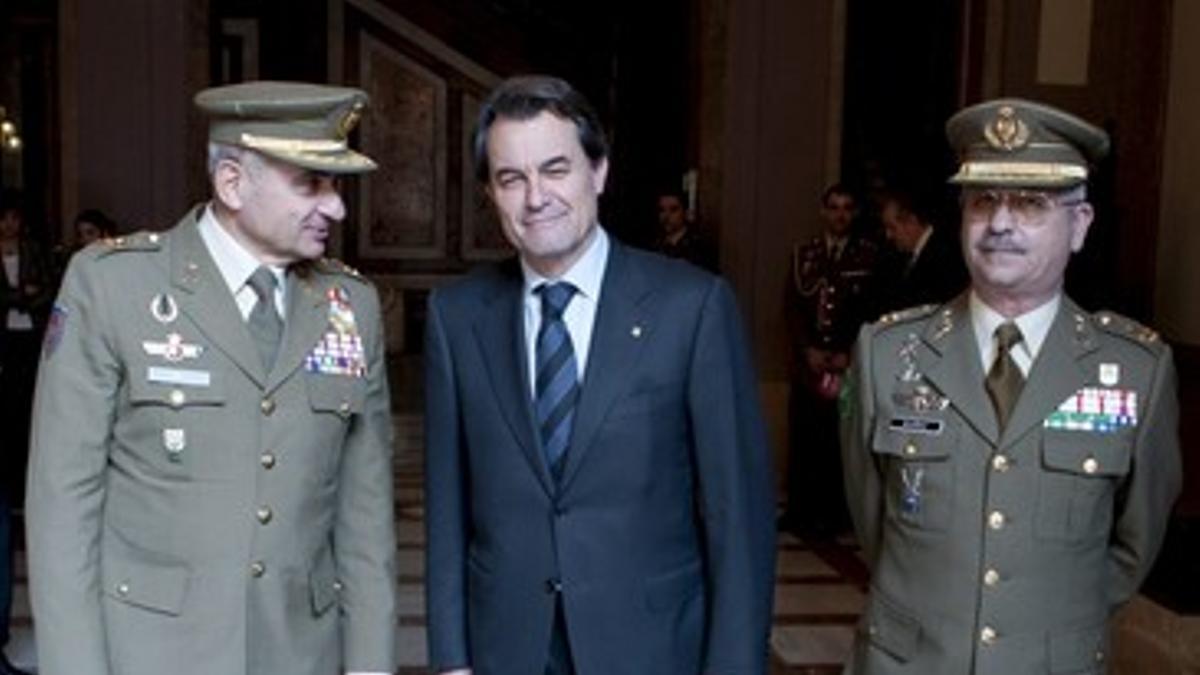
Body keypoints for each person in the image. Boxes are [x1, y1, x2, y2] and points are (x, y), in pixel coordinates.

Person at [25, 82, 397, 675]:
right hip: (152, 655)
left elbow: (366, 521)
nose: (336, 207)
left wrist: (371, 667)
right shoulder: (114, 286)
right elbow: (62, 506)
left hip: (301, 654)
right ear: (231, 183)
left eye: (335, 185)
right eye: (311, 183)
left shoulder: (351, 305)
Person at [424, 75, 775, 675]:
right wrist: (452, 659)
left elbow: (736, 519)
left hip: (650, 645)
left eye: (556, 169)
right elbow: (446, 509)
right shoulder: (456, 317)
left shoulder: (691, 308)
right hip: (507, 646)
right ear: (490, 193)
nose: (536, 197)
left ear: (599, 172)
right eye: (512, 178)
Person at [840, 98, 1181, 673]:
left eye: (1030, 204)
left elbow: (1133, 546)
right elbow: (876, 525)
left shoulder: (1138, 372)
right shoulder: (885, 353)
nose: (1000, 224)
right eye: (984, 202)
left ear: (1079, 225)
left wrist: (1045, 614)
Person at [780, 183, 877, 539]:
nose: (839, 215)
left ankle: (837, 513)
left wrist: (850, 352)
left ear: (855, 213)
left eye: (846, 208)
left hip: (848, 361)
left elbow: (872, 310)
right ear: (823, 212)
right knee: (805, 436)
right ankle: (801, 511)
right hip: (810, 364)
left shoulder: (868, 256)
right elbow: (792, 308)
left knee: (841, 439)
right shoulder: (804, 254)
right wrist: (807, 350)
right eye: (833, 207)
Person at [876, 188, 967, 313]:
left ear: (911, 222)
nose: (888, 235)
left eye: (892, 227)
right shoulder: (904, 257)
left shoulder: (943, 256)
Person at [653, 188, 716, 271]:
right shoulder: (656, 246)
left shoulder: (697, 248)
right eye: (662, 210)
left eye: (673, 210)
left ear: (685, 213)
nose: (666, 216)